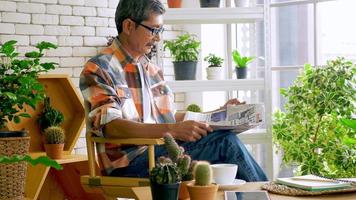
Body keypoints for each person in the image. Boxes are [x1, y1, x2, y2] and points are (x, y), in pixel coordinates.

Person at [79, 0, 267, 181]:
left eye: (160, 30)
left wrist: (218, 114)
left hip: (164, 152)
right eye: (153, 30)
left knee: (225, 142)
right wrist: (173, 130)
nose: (158, 37)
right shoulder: (99, 68)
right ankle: (270, 193)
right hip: (129, 163)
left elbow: (169, 117)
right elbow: (112, 127)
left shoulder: (151, 70)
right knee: (224, 143)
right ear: (128, 26)